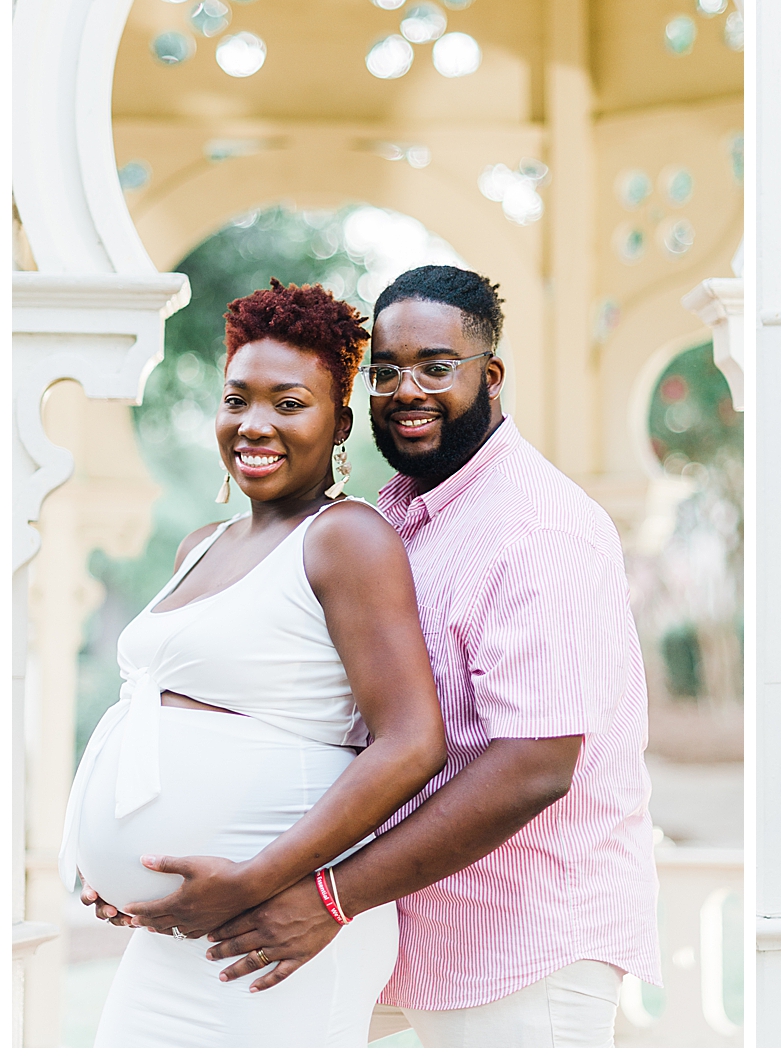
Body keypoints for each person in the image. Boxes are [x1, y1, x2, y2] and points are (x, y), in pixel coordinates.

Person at [194, 265, 661, 1047]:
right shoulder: (398, 517)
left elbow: (535, 766)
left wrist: (330, 897)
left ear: (491, 376)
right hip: (401, 928)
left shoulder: (538, 529)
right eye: (385, 371)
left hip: (522, 945)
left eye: (436, 367)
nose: (406, 390)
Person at [64, 280, 448, 1046]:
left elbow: (413, 742)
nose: (255, 424)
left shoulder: (346, 538)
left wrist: (256, 879)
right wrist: (114, 867)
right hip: (175, 933)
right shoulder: (200, 544)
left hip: (272, 931)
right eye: (237, 400)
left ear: (339, 423)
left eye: (288, 403)